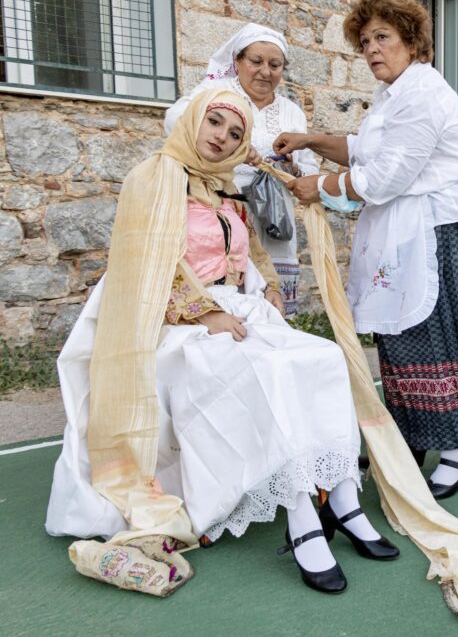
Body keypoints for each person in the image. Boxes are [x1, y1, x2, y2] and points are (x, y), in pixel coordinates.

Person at [46, 89, 398, 597]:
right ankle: (303, 519)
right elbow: (142, 265)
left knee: (323, 356)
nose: (222, 137)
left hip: (236, 310)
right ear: (193, 121)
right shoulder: (153, 177)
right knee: (270, 371)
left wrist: (271, 289)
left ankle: (343, 498)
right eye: (214, 123)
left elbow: (252, 253)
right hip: (172, 322)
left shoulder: (226, 189)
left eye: (235, 133)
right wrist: (203, 312)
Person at [273, 0, 458, 500]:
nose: (372, 49)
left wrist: (323, 187)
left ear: (411, 40)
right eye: (364, 41)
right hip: (416, 230)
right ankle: (412, 437)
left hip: (450, 231)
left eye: (382, 37)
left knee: (440, 337)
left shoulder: (423, 93)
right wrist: (313, 140)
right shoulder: (393, 95)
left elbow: (388, 174)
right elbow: (364, 148)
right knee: (401, 338)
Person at [164, 23, 318, 317]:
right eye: (256, 61)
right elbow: (175, 121)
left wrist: (290, 166)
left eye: (275, 65)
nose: (265, 71)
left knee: (270, 296)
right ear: (237, 62)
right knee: (226, 282)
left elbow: (307, 167)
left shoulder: (291, 111)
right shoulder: (217, 91)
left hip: (273, 211)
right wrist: (236, 148)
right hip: (222, 204)